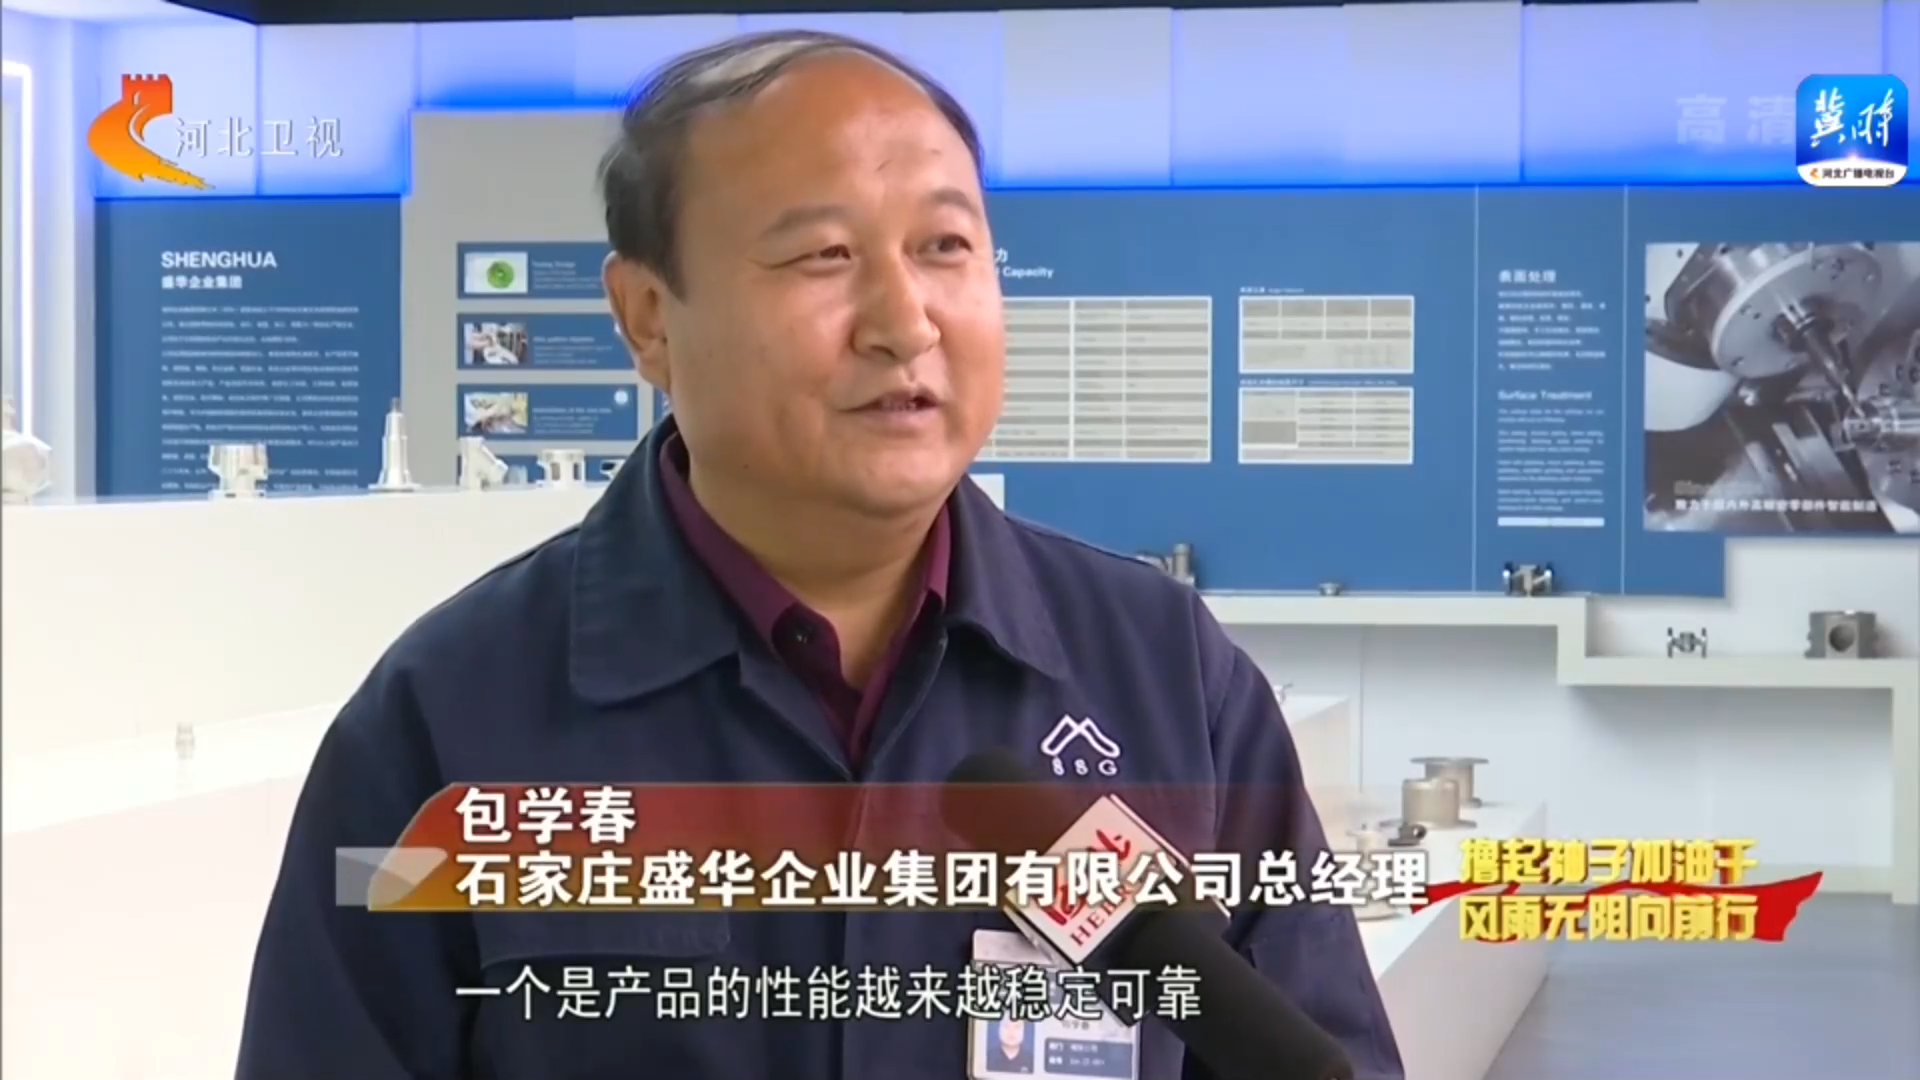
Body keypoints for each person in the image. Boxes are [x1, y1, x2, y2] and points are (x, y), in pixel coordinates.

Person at [234, 29, 1403, 1080]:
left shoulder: (1163, 674)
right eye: (823, 256)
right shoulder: (447, 720)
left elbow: (1316, 1051)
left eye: (946, 245)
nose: (905, 321)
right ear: (647, 316)